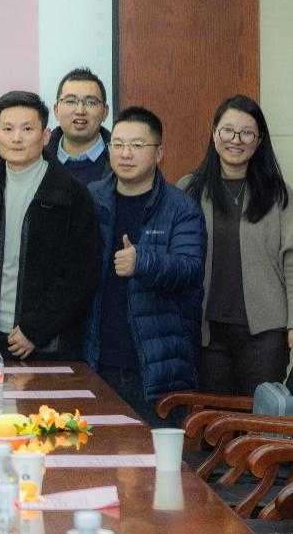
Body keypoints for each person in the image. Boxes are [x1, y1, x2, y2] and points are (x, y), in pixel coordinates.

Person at [0, 90, 101, 361]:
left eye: (27, 129)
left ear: (45, 136)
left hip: (47, 344)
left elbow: (83, 275)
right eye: (8, 129)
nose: (16, 138)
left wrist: (36, 329)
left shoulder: (71, 195)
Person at [84, 107, 206, 426]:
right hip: (98, 360)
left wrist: (143, 262)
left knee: (154, 456)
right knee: (95, 452)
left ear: (159, 153)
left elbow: (190, 269)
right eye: (118, 144)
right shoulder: (92, 199)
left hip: (156, 367)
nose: (125, 154)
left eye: (137, 145)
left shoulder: (181, 208)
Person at [181, 95, 293, 396]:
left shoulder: (279, 195)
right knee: (214, 419)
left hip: (265, 334)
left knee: (260, 417)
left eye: (247, 133)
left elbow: (291, 262)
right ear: (214, 133)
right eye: (228, 130)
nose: (236, 140)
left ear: (259, 140)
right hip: (206, 331)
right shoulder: (189, 189)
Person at [44, 67, 112, 185]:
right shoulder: (37, 157)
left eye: (90, 102)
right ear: (56, 111)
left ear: (105, 112)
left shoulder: (124, 159)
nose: (80, 111)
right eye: (70, 101)